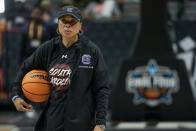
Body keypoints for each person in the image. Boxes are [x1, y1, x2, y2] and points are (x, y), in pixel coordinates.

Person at [11, 5, 110, 131]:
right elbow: (25, 67)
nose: (67, 25)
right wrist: (16, 95)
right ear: (58, 24)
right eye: (64, 21)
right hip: (53, 120)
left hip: (81, 122)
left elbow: (102, 89)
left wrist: (100, 122)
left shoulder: (91, 51)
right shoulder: (48, 49)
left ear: (80, 25)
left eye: (72, 21)